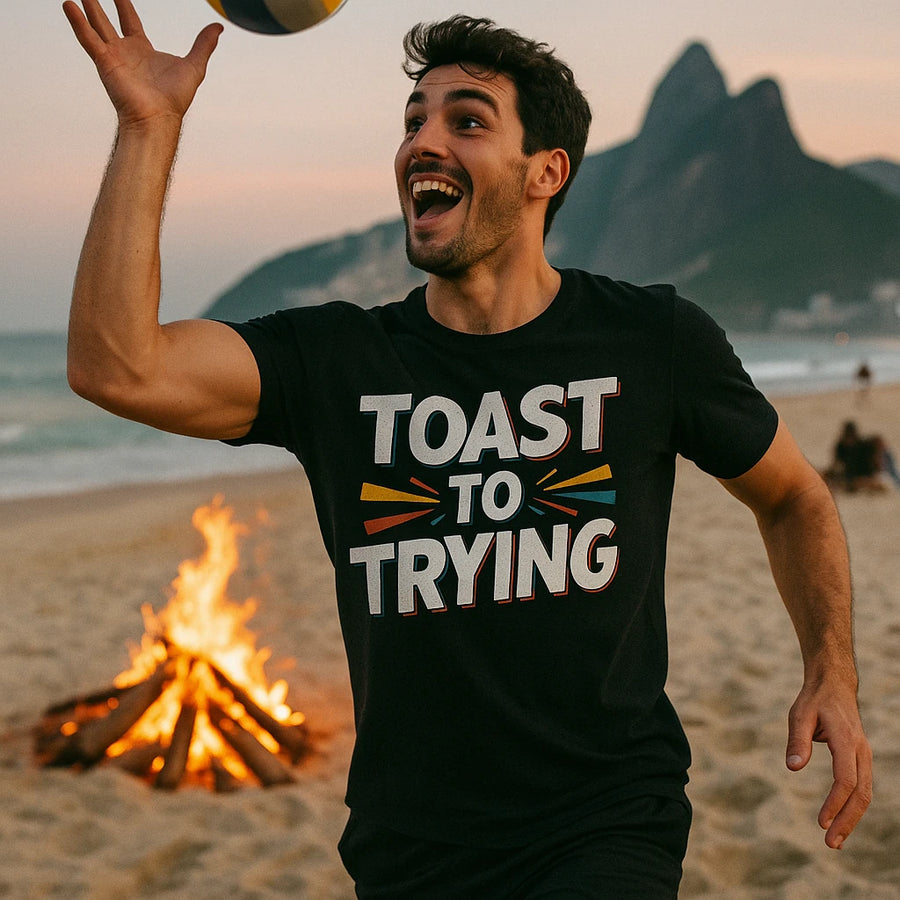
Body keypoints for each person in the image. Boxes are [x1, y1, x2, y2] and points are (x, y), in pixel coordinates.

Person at [62, 2, 872, 895]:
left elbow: (793, 494)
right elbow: (117, 366)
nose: (422, 142)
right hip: (407, 848)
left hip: (605, 824)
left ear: (545, 172)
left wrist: (832, 668)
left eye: (467, 120)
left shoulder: (652, 341)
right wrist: (147, 127)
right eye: (413, 122)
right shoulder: (336, 362)